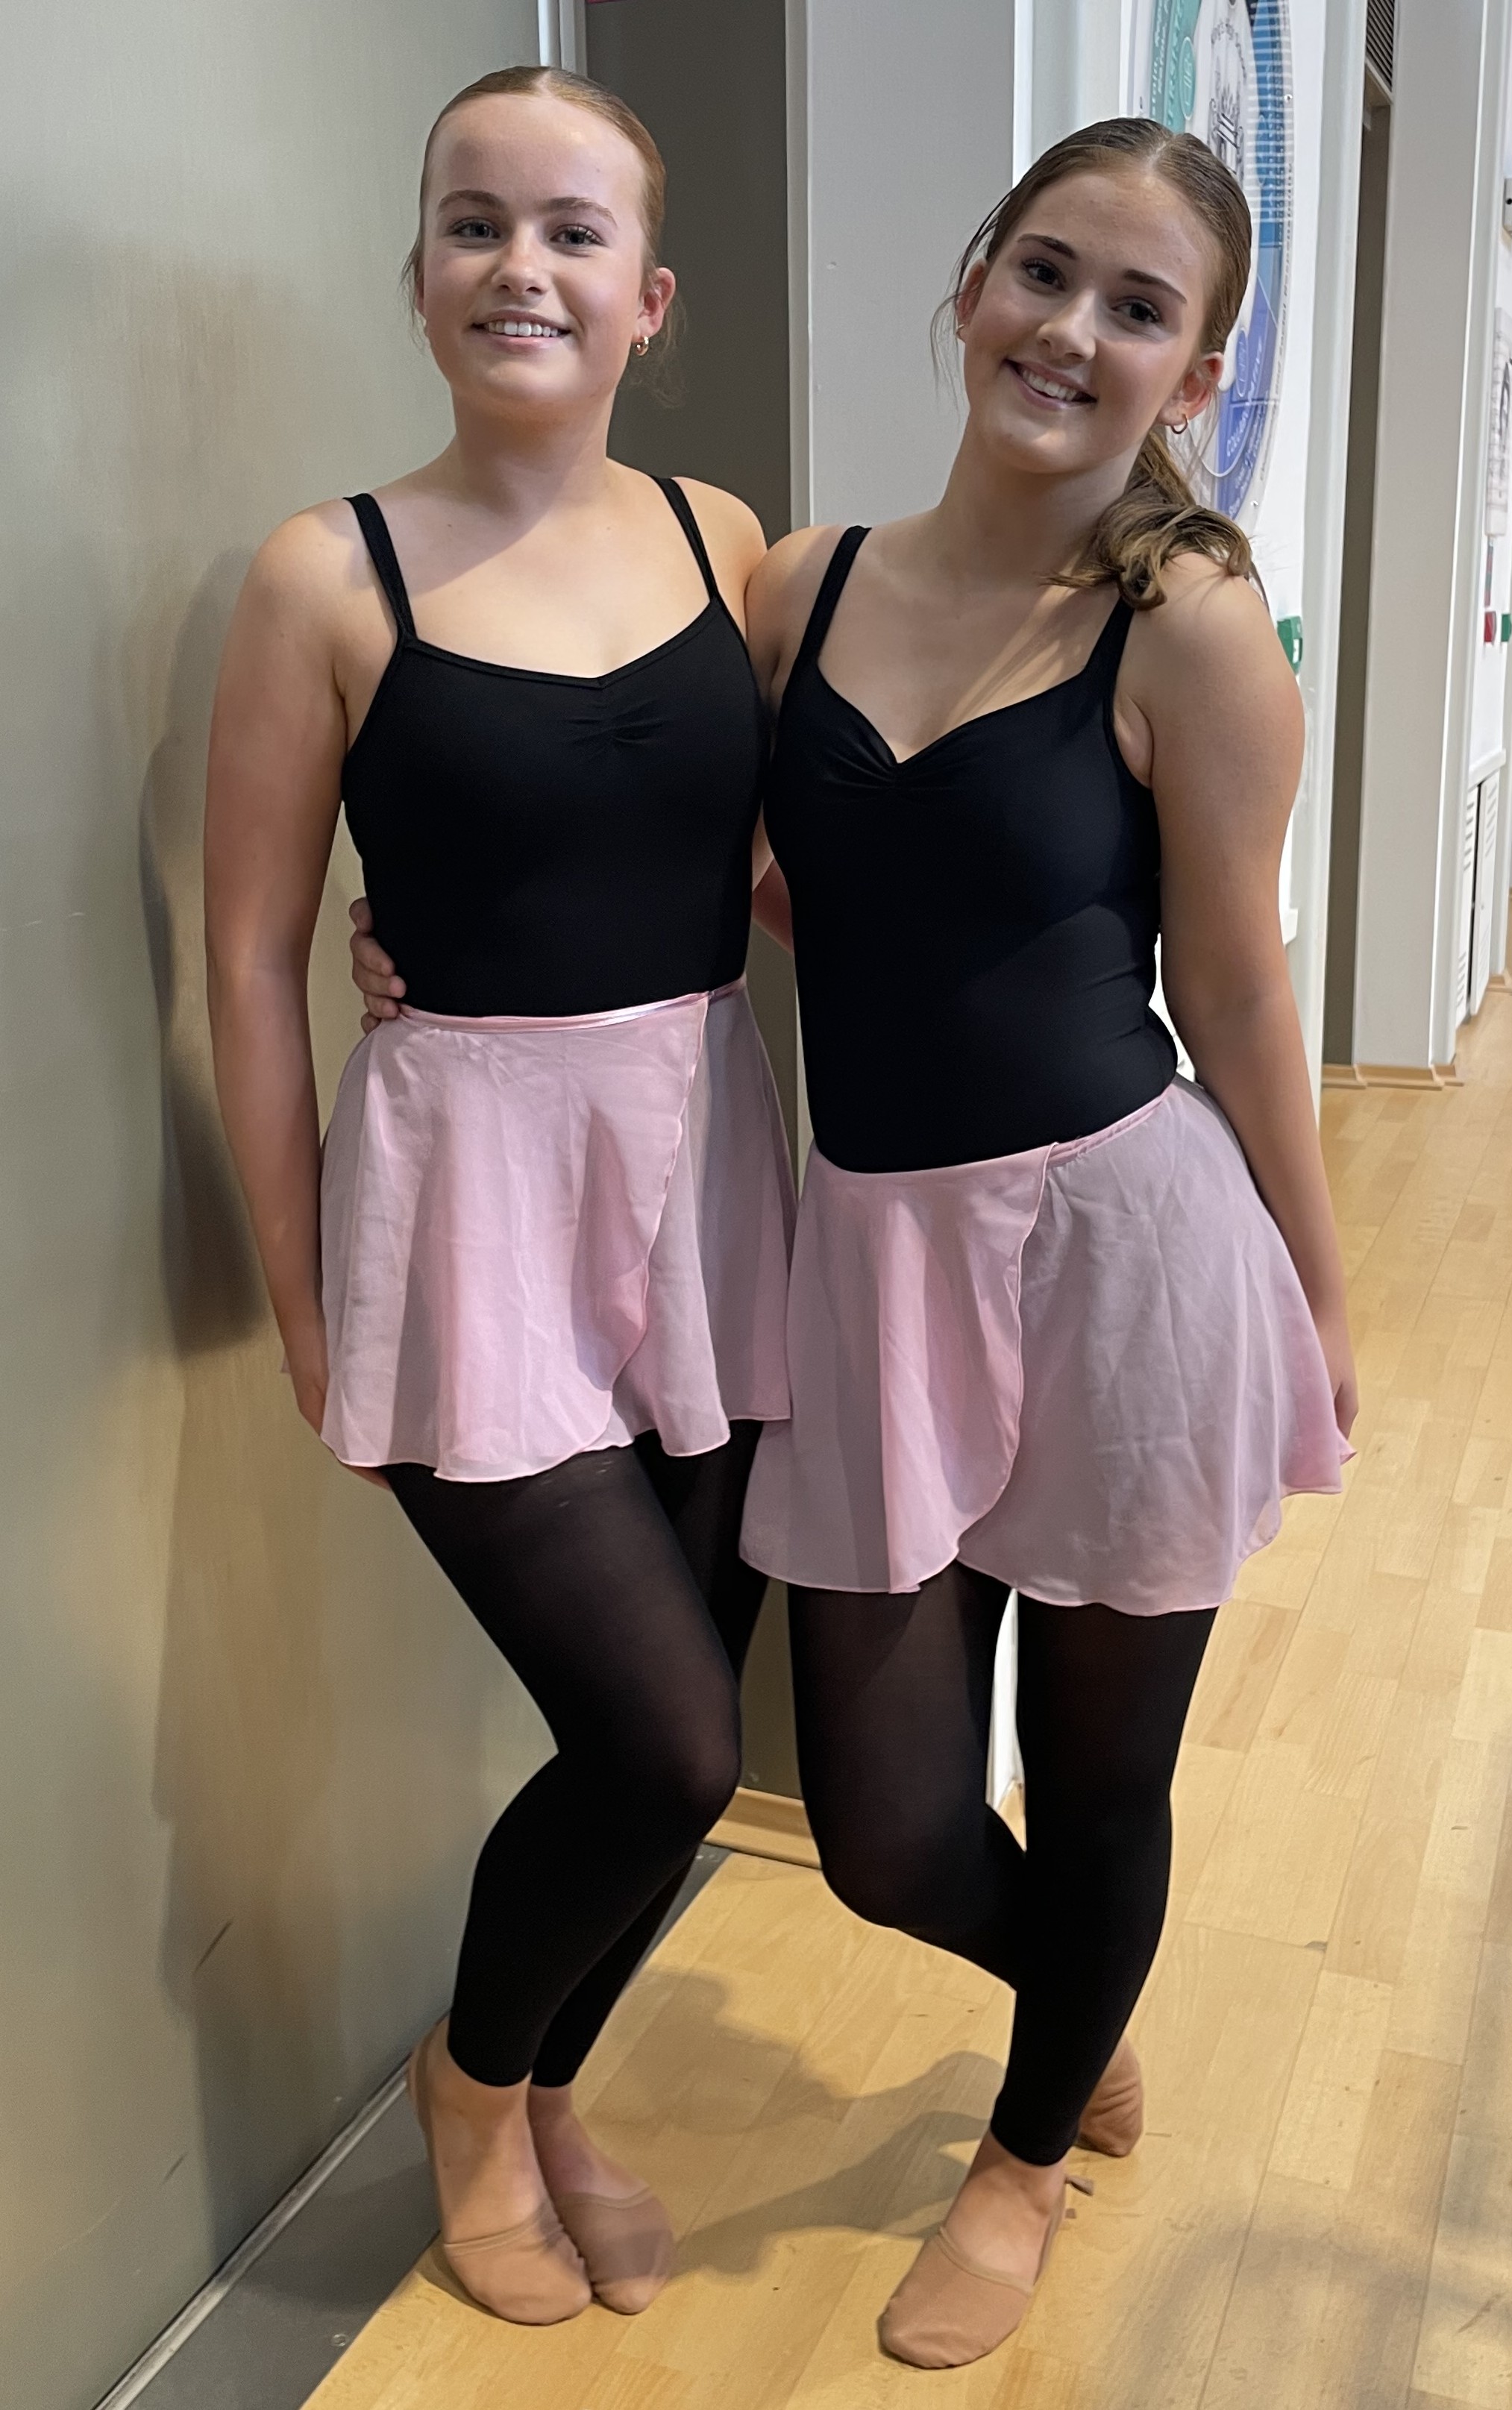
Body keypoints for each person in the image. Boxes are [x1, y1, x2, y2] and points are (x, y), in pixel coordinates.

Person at [735, 119, 1355, 2367]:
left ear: (1193, 373)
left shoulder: (1185, 623)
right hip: (880, 1257)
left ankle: (1017, 2167)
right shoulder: (793, 590)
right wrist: (415, 957)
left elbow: (1244, 985)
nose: (1072, 332)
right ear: (976, 278)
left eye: (1139, 309)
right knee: (890, 1824)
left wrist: (1314, 1275)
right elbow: (753, 872)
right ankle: (1061, 1998)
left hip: (1128, 1255)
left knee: (1102, 1781)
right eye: (1047, 272)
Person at [205, 65, 795, 2328]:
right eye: (474, 224)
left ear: (648, 297)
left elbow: (777, 839)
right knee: (666, 1742)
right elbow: (255, 960)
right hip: (462, 1211)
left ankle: (554, 2088)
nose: (517, 268)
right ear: (420, 271)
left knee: (668, 1737)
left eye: (568, 234)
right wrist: (298, 1287)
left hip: (699, 1182)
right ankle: (478, 2093)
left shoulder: (726, 541)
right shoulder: (320, 573)